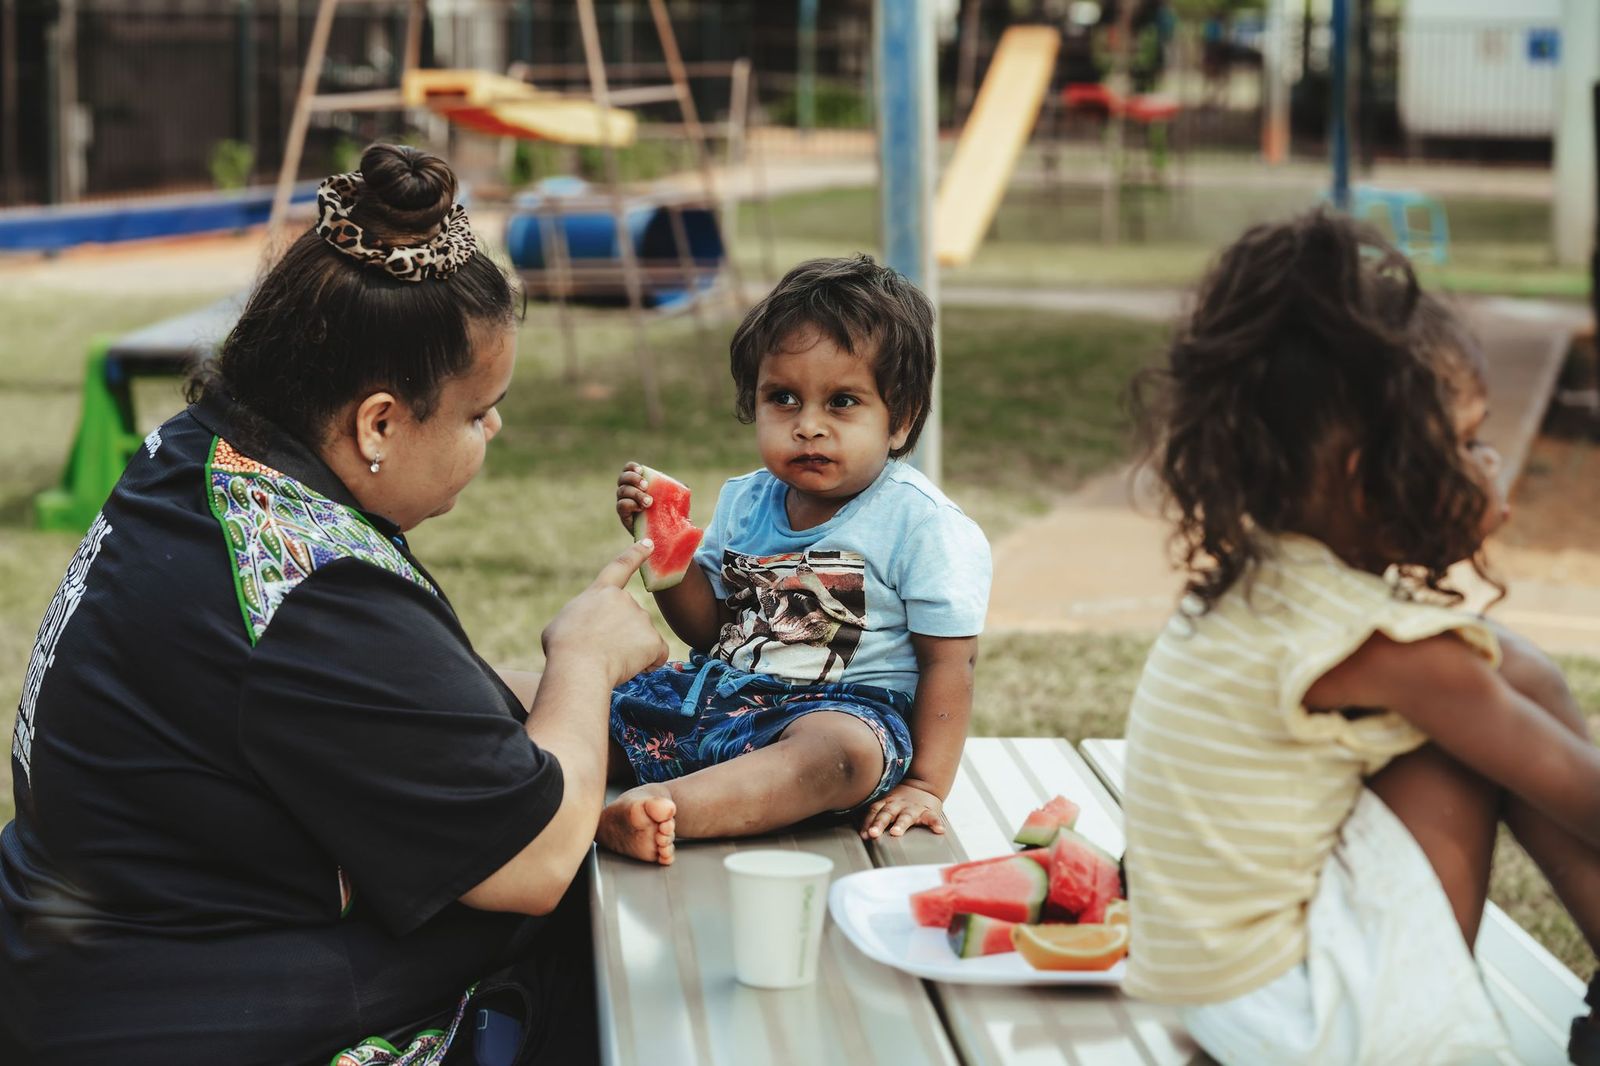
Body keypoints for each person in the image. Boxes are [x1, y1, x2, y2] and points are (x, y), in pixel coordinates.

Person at [0, 144, 666, 1064]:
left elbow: (395, 710)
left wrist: (580, 704)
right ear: (380, 422)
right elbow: (534, 863)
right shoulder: (310, 584)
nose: (496, 430)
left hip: (76, 977)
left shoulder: (197, 458)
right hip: (186, 1017)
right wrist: (583, 660)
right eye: (478, 413)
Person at [1121, 209, 1600, 1065]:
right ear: (1367, 479)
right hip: (1305, 1023)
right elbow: (1580, 795)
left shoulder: (1272, 581)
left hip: (1225, 1001)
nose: (1489, 464)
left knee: (1506, 669)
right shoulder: (1379, 649)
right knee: (1494, 704)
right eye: (1467, 442)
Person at [598, 255, 992, 865]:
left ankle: (666, 807)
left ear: (901, 419)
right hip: (721, 695)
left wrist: (925, 785)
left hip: (842, 712)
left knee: (842, 755)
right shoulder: (745, 499)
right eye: (783, 398)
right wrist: (668, 562)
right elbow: (711, 630)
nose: (808, 426)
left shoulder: (921, 524)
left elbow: (951, 663)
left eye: (842, 402)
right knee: (585, 699)